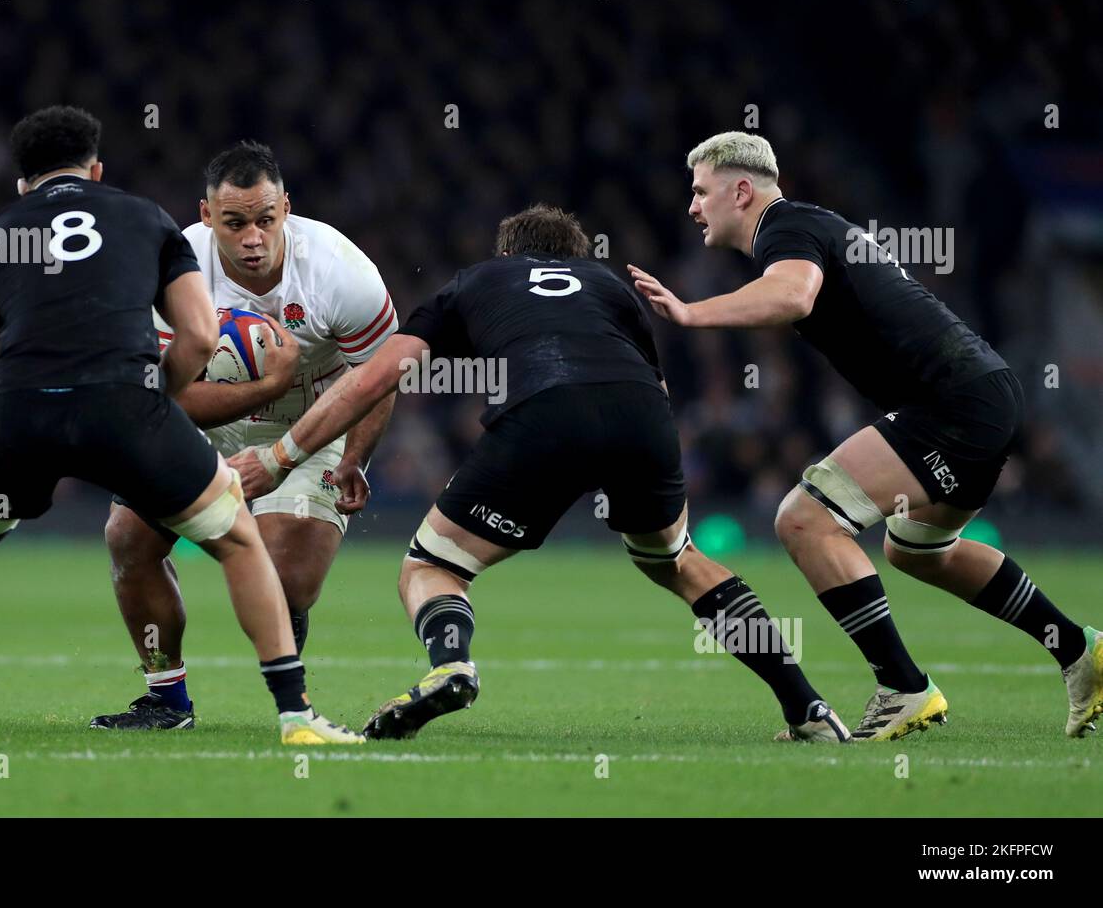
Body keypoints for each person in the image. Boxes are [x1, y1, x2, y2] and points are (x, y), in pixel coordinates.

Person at [236, 204, 853, 742]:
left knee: (434, 565)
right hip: (642, 414)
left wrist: (282, 455)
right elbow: (654, 384)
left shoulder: (478, 280)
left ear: (508, 253)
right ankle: (806, 705)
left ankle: (451, 664)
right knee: (679, 561)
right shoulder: (611, 288)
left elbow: (375, 375)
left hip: (546, 415)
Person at [0, 107, 361, 745]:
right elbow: (198, 336)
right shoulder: (145, 218)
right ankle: (296, 716)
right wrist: (154, 399)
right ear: (98, 169)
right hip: (124, 405)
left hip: (18, 409)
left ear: (22, 183)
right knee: (238, 539)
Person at [630, 130, 1101, 739]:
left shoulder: (785, 224)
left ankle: (904, 687)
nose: (692, 206)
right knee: (919, 549)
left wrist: (694, 313)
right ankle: (1078, 649)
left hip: (949, 403)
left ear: (741, 191)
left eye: (700, 191)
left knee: (804, 519)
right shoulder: (811, 226)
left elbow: (794, 295)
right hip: (979, 393)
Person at [89, 141, 396, 730]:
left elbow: (381, 375)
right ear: (207, 217)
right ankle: (166, 700)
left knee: (288, 582)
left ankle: (280, 624)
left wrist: (354, 456)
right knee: (127, 537)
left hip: (315, 422)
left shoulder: (339, 270)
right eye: (235, 223)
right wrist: (268, 383)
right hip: (205, 422)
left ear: (286, 208)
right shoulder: (172, 269)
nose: (253, 238)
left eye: (265, 220)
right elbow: (162, 393)